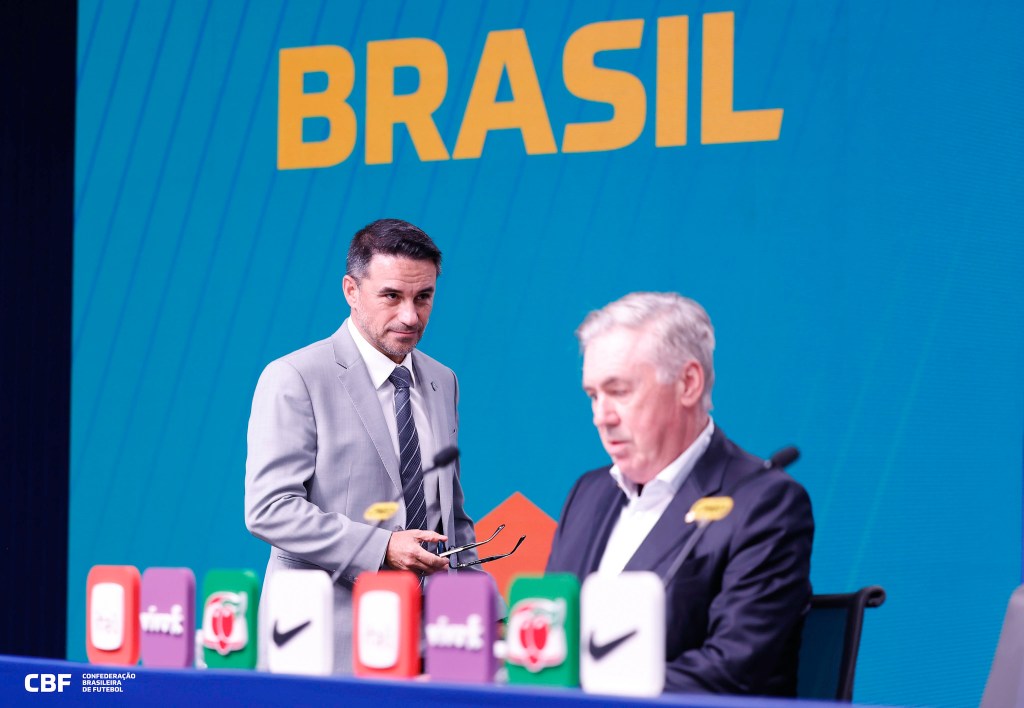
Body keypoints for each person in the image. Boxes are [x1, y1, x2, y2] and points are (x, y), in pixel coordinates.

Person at [546, 292, 814, 695]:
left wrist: (585, 691)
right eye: (593, 396)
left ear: (688, 383)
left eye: (619, 391)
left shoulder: (763, 504)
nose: (602, 416)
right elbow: (552, 642)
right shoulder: (589, 493)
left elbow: (733, 673)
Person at [245, 218, 478, 674]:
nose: (410, 316)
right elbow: (269, 509)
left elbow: (450, 518)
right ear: (351, 291)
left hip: (430, 647)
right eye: (392, 296)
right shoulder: (295, 377)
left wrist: (486, 614)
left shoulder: (442, 380)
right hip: (324, 645)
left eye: (423, 297)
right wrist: (383, 547)